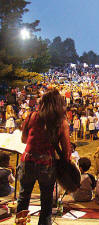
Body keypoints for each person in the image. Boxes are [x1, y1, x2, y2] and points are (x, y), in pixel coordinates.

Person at [17, 88, 71, 225]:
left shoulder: (32, 116)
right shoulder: (61, 122)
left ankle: (20, 222)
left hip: (28, 160)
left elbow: (24, 139)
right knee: (46, 202)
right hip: (47, 164)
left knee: (23, 197)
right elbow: (66, 151)